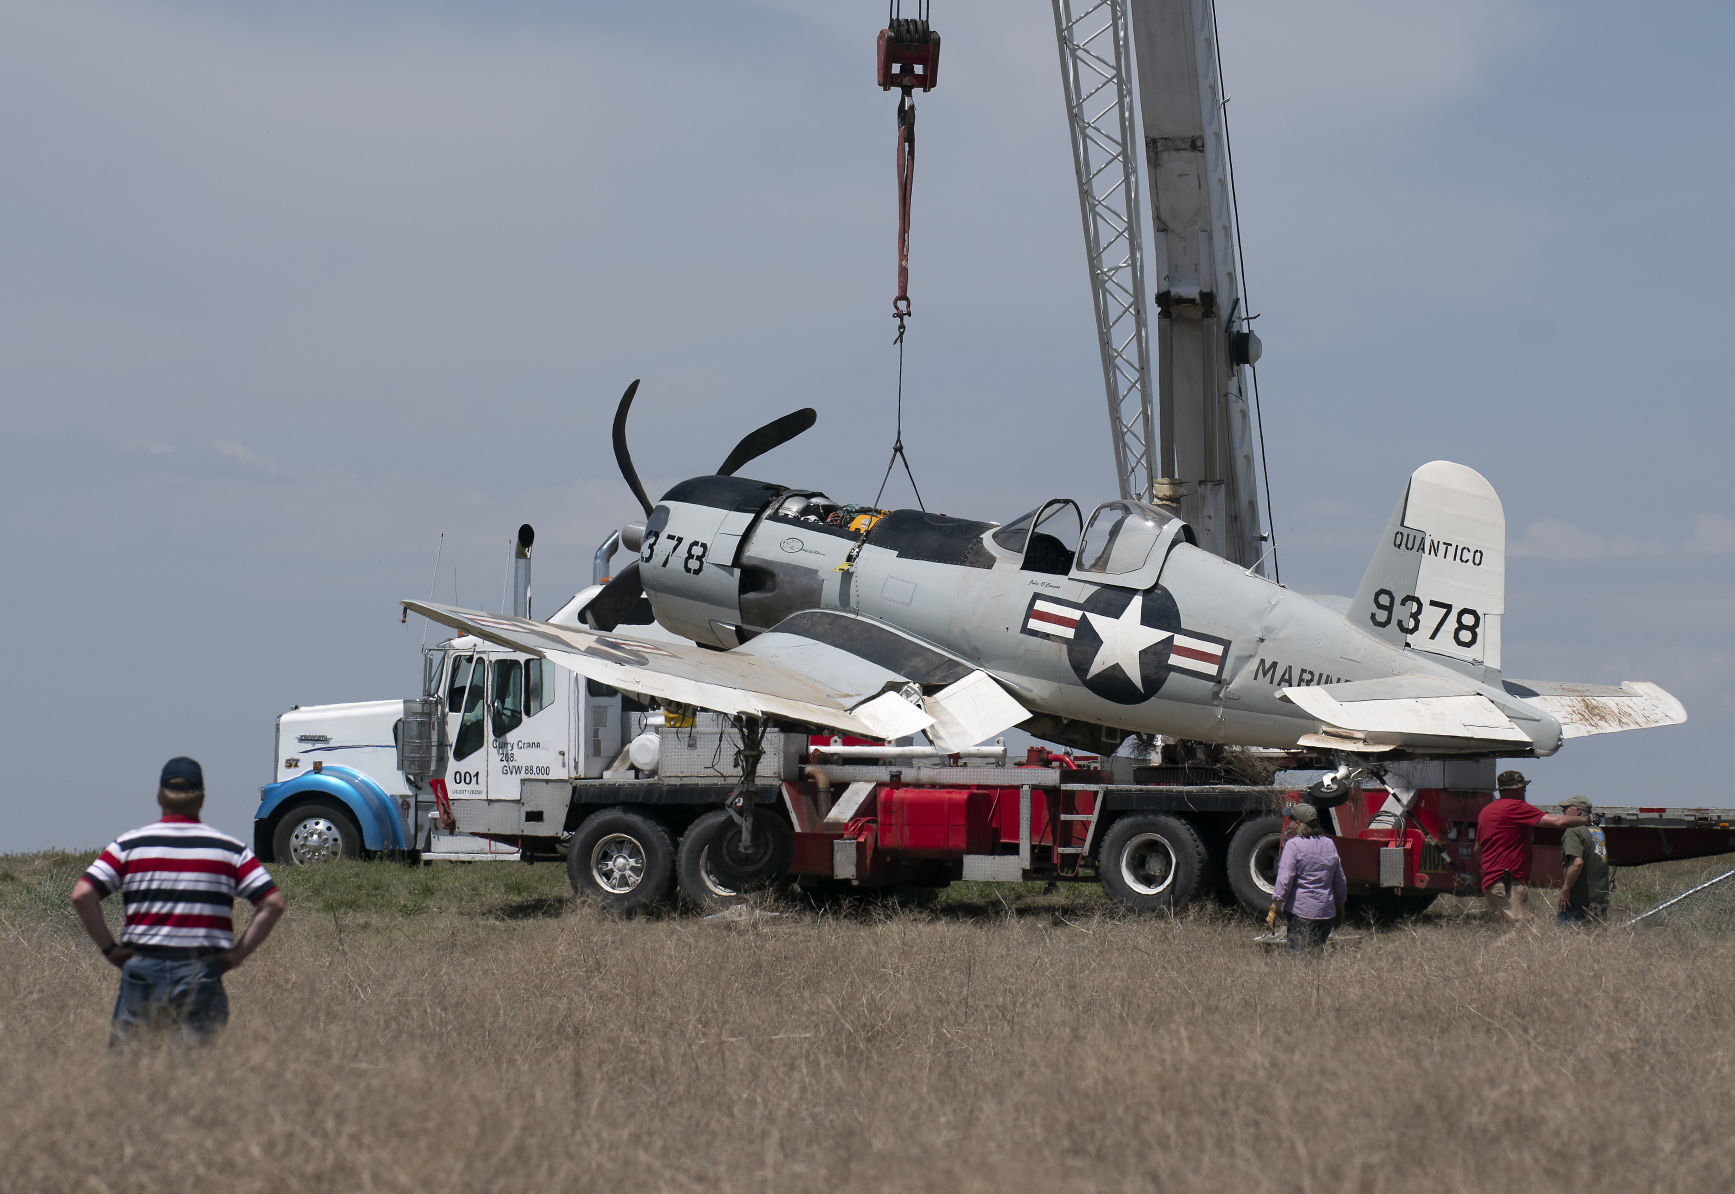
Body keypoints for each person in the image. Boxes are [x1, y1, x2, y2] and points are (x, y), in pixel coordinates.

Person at [71, 756, 285, 1046]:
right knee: (193, 1071)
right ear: (202, 799)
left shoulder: (130, 845)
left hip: (143, 967)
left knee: (129, 1067)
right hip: (202, 971)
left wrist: (110, 949)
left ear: (159, 796)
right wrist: (238, 955)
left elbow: (83, 895)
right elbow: (272, 903)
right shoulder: (230, 850)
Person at [1477, 770, 1586, 922]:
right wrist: (1585, 820)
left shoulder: (1485, 812)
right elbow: (1557, 822)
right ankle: (1488, 948)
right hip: (1509, 883)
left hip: (1491, 883)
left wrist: (1488, 872)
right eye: (1523, 788)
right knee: (1522, 931)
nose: (1525, 791)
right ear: (1517, 789)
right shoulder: (1517, 807)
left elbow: (1478, 849)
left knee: (1517, 932)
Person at [1267, 801, 1346, 951]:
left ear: (1297, 823)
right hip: (1326, 914)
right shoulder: (1329, 844)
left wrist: (1274, 909)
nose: (1289, 824)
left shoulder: (1293, 845)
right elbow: (1340, 880)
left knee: (1298, 961)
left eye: (1290, 820)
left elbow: (1284, 881)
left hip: (1301, 913)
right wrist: (1340, 907)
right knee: (1316, 957)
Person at [1556, 796, 1611, 925]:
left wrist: (1566, 889)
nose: (1563, 812)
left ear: (1578, 811)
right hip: (1600, 898)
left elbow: (1577, 863)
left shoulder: (1573, 832)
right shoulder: (1598, 831)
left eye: (1566, 809)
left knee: (1566, 941)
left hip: (1578, 901)